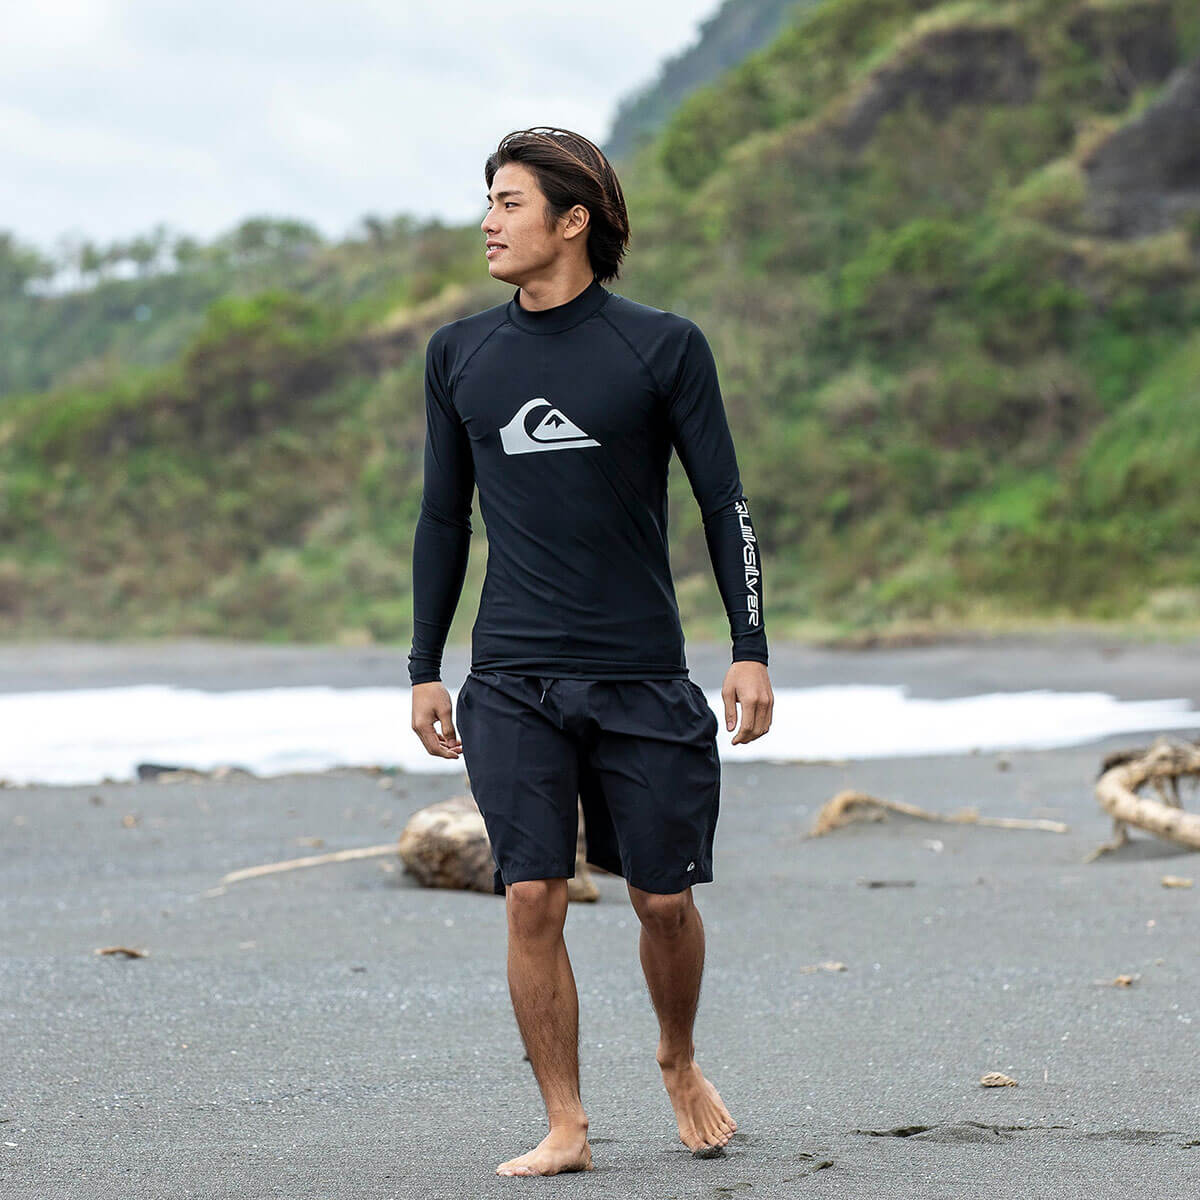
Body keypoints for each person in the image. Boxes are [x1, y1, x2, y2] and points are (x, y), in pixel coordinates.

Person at [408, 126, 774, 1178]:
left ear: (572, 221)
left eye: (509, 203)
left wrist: (748, 647)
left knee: (663, 899)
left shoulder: (662, 347)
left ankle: (677, 1058)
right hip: (511, 675)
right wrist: (425, 667)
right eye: (488, 200)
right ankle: (565, 1122)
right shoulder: (460, 355)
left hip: (641, 671)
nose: (488, 222)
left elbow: (723, 502)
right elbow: (442, 520)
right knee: (532, 892)